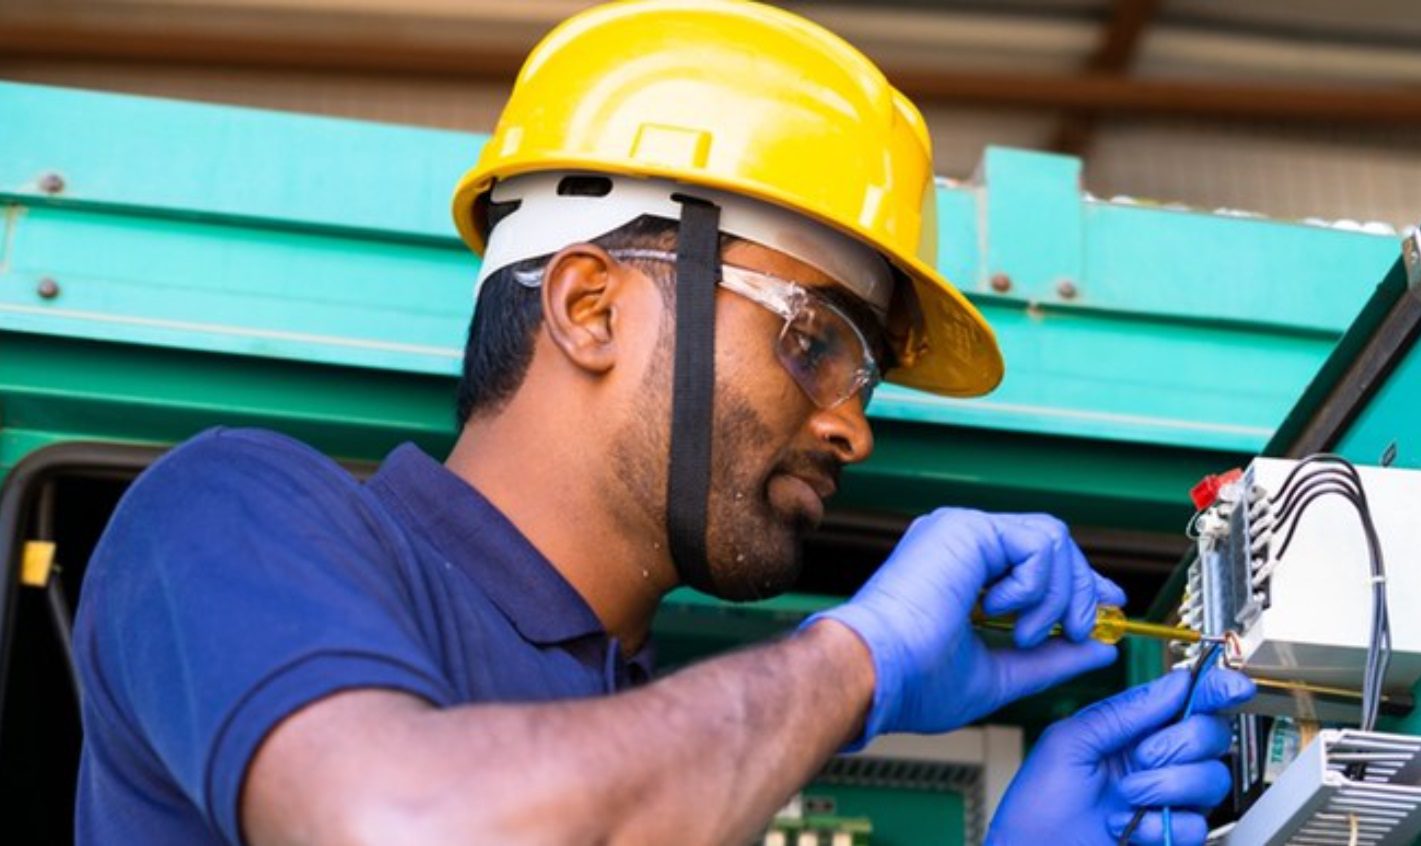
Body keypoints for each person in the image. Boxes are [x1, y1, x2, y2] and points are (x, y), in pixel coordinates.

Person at [72, 2, 1252, 844]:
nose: (851, 430)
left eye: (865, 379)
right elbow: (405, 825)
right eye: (816, 340)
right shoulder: (231, 513)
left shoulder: (646, 744)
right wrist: (853, 663)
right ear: (589, 307)